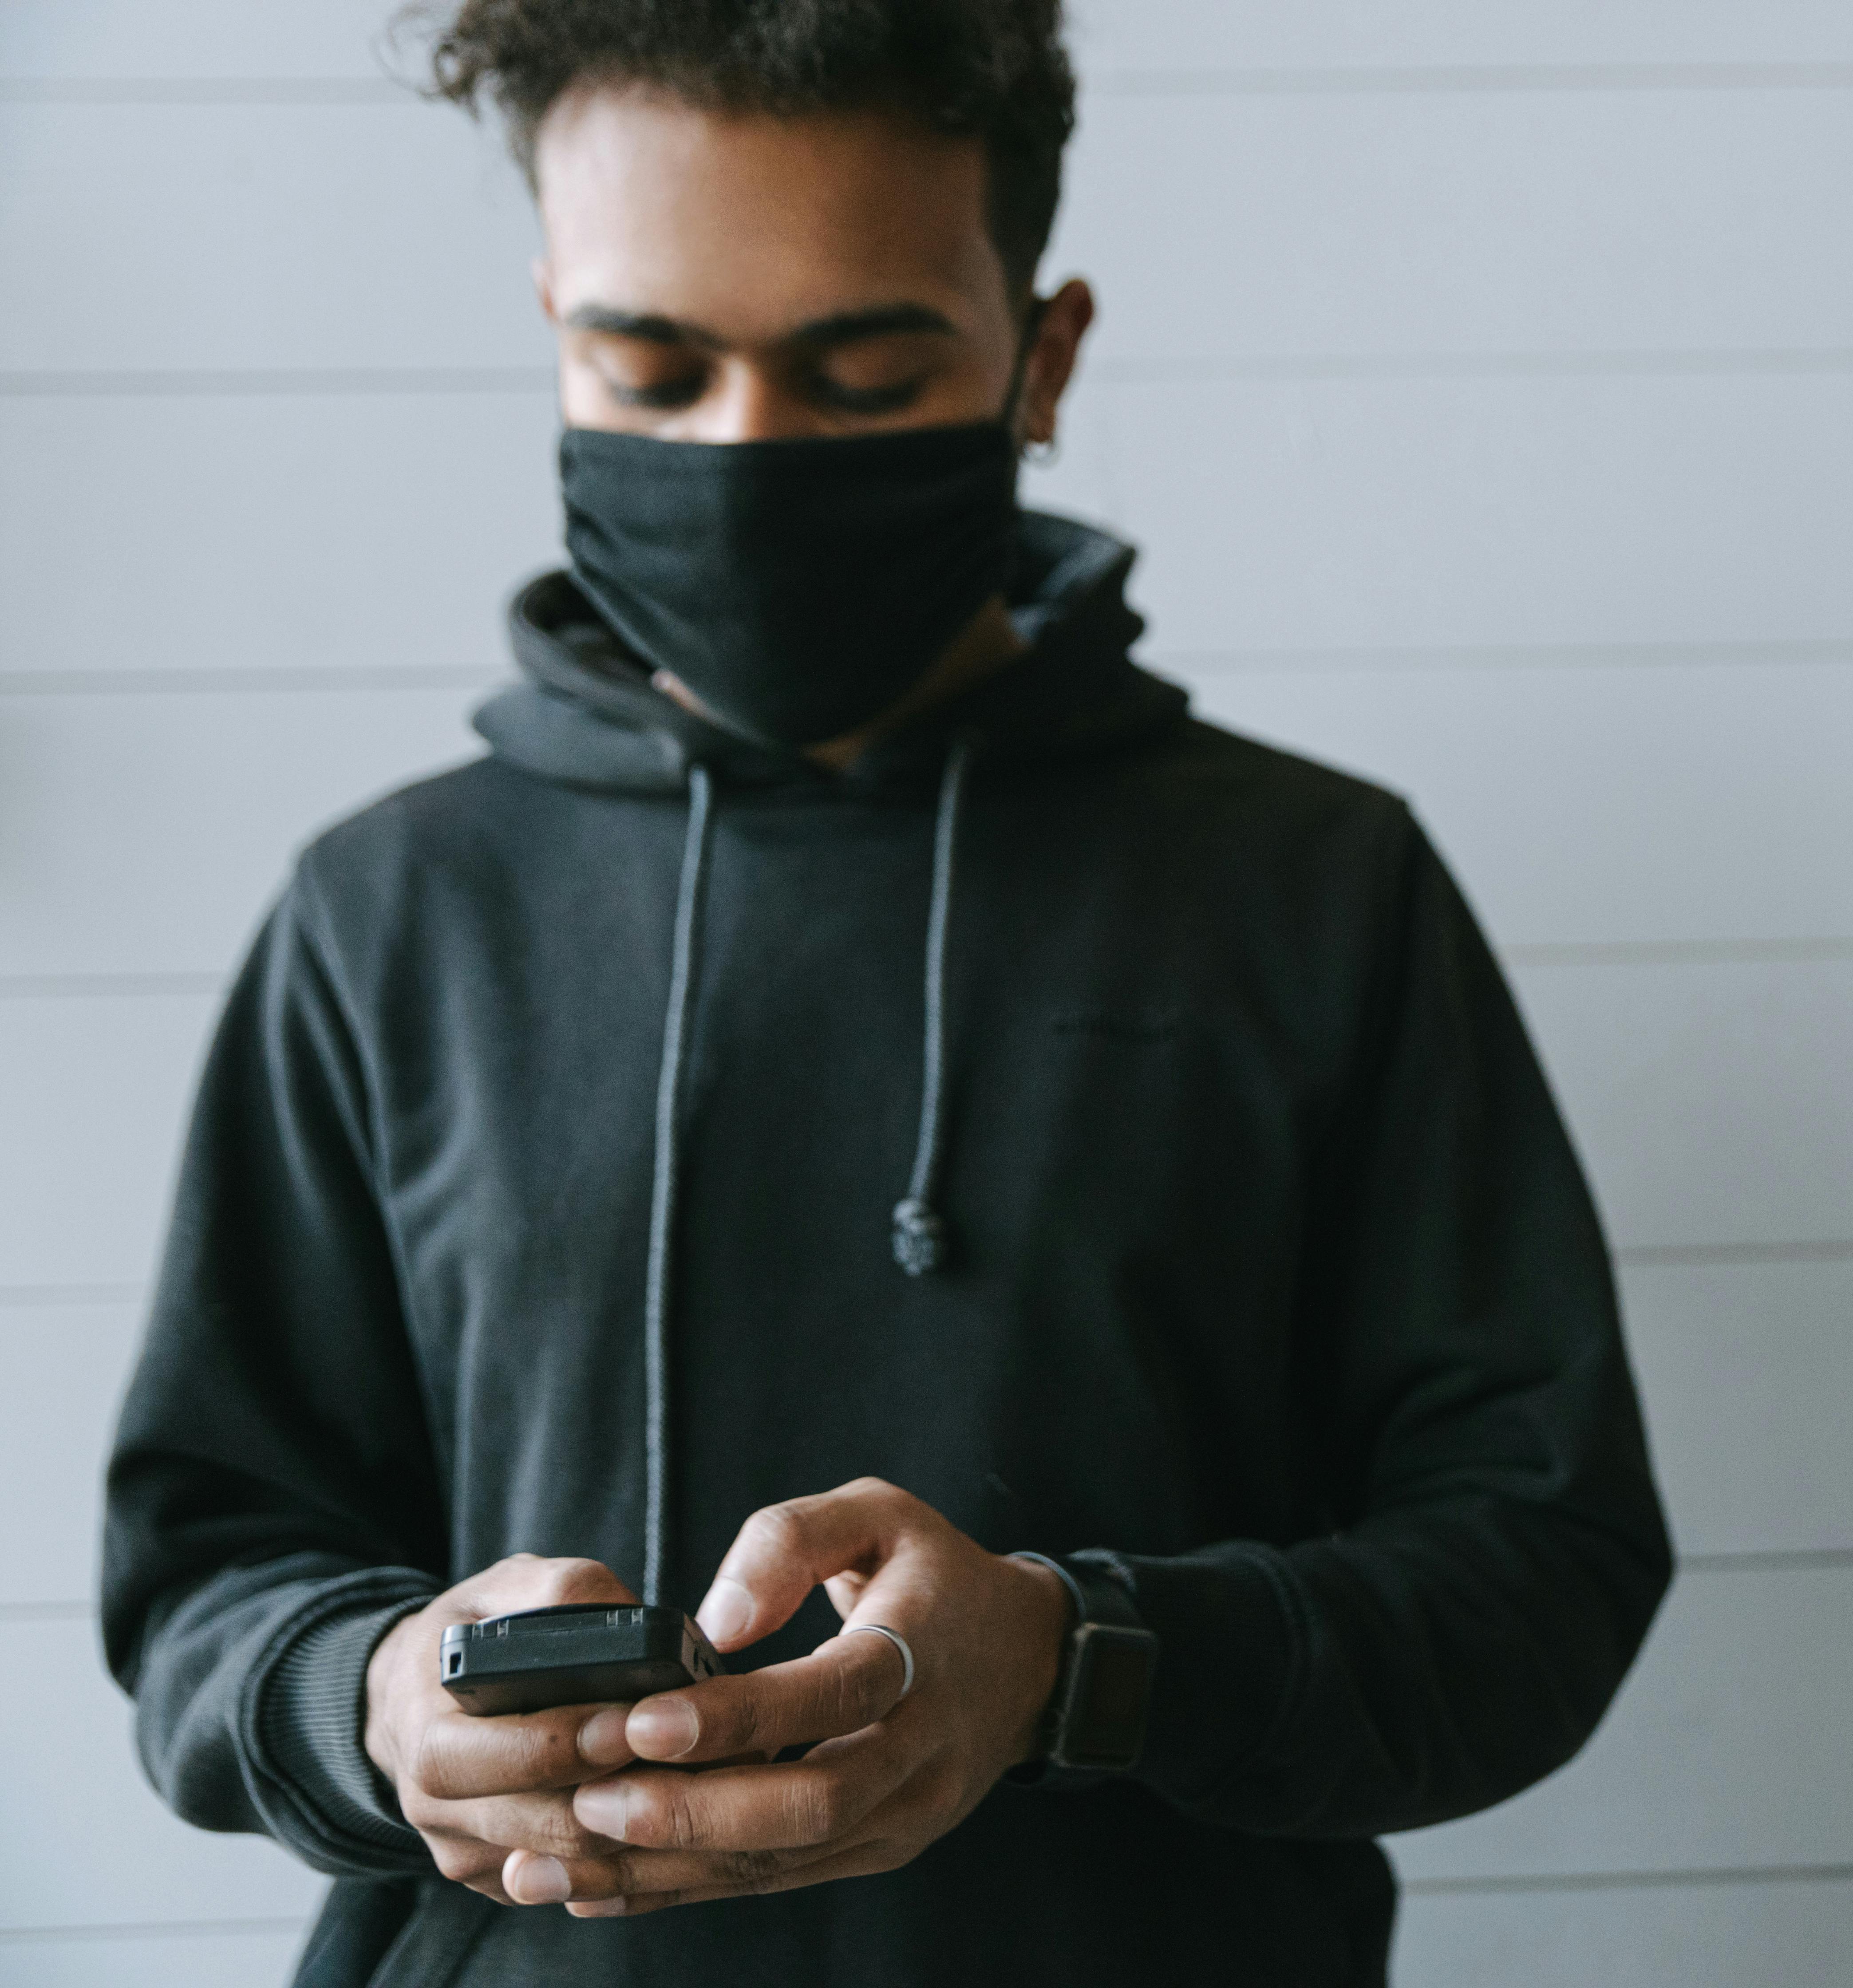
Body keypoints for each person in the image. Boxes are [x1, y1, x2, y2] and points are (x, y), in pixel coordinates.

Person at [96, 3, 1672, 1981]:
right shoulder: (386, 910)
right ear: (553, 328)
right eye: (648, 366)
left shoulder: (1316, 890)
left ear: (1046, 354)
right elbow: (203, 1579)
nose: (746, 455)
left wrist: (1079, 1663)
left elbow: (1545, 1570)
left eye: (861, 373)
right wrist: (374, 1700)